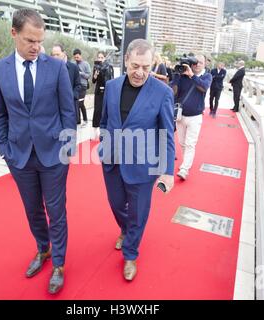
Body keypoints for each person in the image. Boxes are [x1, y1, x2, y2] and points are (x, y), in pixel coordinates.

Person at [0, 8, 76, 294]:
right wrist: (4, 148)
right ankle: (43, 250)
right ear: (13, 34)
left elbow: (68, 111)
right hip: (19, 156)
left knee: (56, 210)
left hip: (53, 155)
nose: (36, 48)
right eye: (30, 41)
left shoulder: (56, 67)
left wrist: (67, 148)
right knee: (32, 210)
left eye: (40, 41)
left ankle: (59, 264)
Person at [99, 39, 175, 281]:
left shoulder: (163, 92)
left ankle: (130, 254)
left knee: (139, 213)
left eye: (145, 66)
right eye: (135, 66)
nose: (140, 72)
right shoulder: (111, 86)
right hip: (111, 160)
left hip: (144, 165)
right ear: (125, 61)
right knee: (115, 203)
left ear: (152, 63)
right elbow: (104, 120)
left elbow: (167, 134)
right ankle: (125, 230)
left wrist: (168, 170)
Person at [172, 55, 212, 180]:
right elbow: (173, 90)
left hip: (195, 117)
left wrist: (191, 75)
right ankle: (186, 163)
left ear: (205, 64)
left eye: (200, 62)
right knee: (182, 143)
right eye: (195, 62)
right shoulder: (183, 76)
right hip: (180, 116)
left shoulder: (207, 76)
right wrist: (177, 75)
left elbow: (203, 87)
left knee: (190, 144)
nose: (198, 64)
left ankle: (184, 169)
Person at [51, 44, 81, 124]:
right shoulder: (49, 68)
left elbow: (78, 85)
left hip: (69, 107)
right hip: (54, 108)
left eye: (57, 54)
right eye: (53, 55)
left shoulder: (73, 67)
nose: (55, 57)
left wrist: (71, 96)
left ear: (64, 53)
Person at [91, 51, 113, 138]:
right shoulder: (96, 67)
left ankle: (104, 130)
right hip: (98, 91)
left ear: (105, 58)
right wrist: (95, 75)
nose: (100, 59)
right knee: (97, 110)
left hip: (106, 91)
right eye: (98, 57)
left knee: (105, 110)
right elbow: (93, 81)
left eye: (101, 57)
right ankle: (95, 130)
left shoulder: (109, 67)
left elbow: (111, 79)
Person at [73, 48, 91, 127]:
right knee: (76, 103)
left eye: (78, 57)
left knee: (80, 103)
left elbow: (88, 76)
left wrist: (80, 73)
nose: (76, 59)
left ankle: (85, 120)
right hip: (76, 86)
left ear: (80, 55)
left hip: (83, 86)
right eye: (75, 57)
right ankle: (78, 120)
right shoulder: (73, 64)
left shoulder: (86, 64)